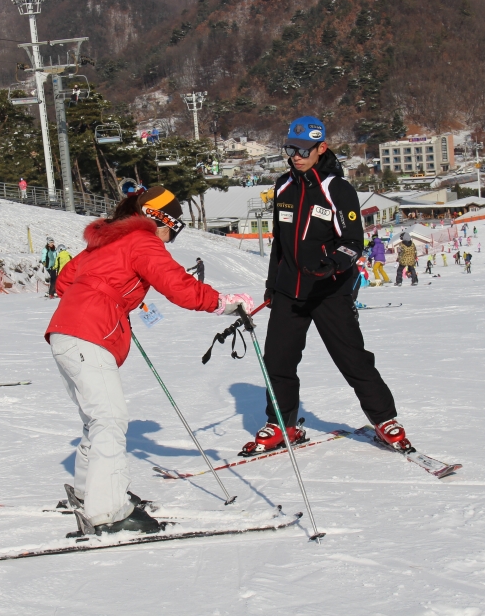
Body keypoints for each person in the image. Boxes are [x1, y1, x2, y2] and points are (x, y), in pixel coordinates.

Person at [45, 186, 251, 536]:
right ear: (159, 219)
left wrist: (111, 297)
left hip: (67, 330)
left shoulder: (108, 242)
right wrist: (222, 302)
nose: (173, 234)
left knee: (96, 419)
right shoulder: (142, 240)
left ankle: (88, 494)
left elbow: (65, 281)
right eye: (175, 225)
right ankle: (108, 513)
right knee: (109, 420)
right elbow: (178, 286)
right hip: (89, 333)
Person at [253, 115, 411, 457]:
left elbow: (354, 241)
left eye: (303, 149)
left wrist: (332, 263)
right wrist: (271, 284)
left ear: (321, 147)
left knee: (353, 358)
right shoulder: (282, 187)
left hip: (328, 290)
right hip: (289, 291)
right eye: (290, 149)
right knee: (278, 360)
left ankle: (384, 421)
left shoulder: (337, 188)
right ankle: (282, 423)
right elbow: (279, 245)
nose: (296, 156)